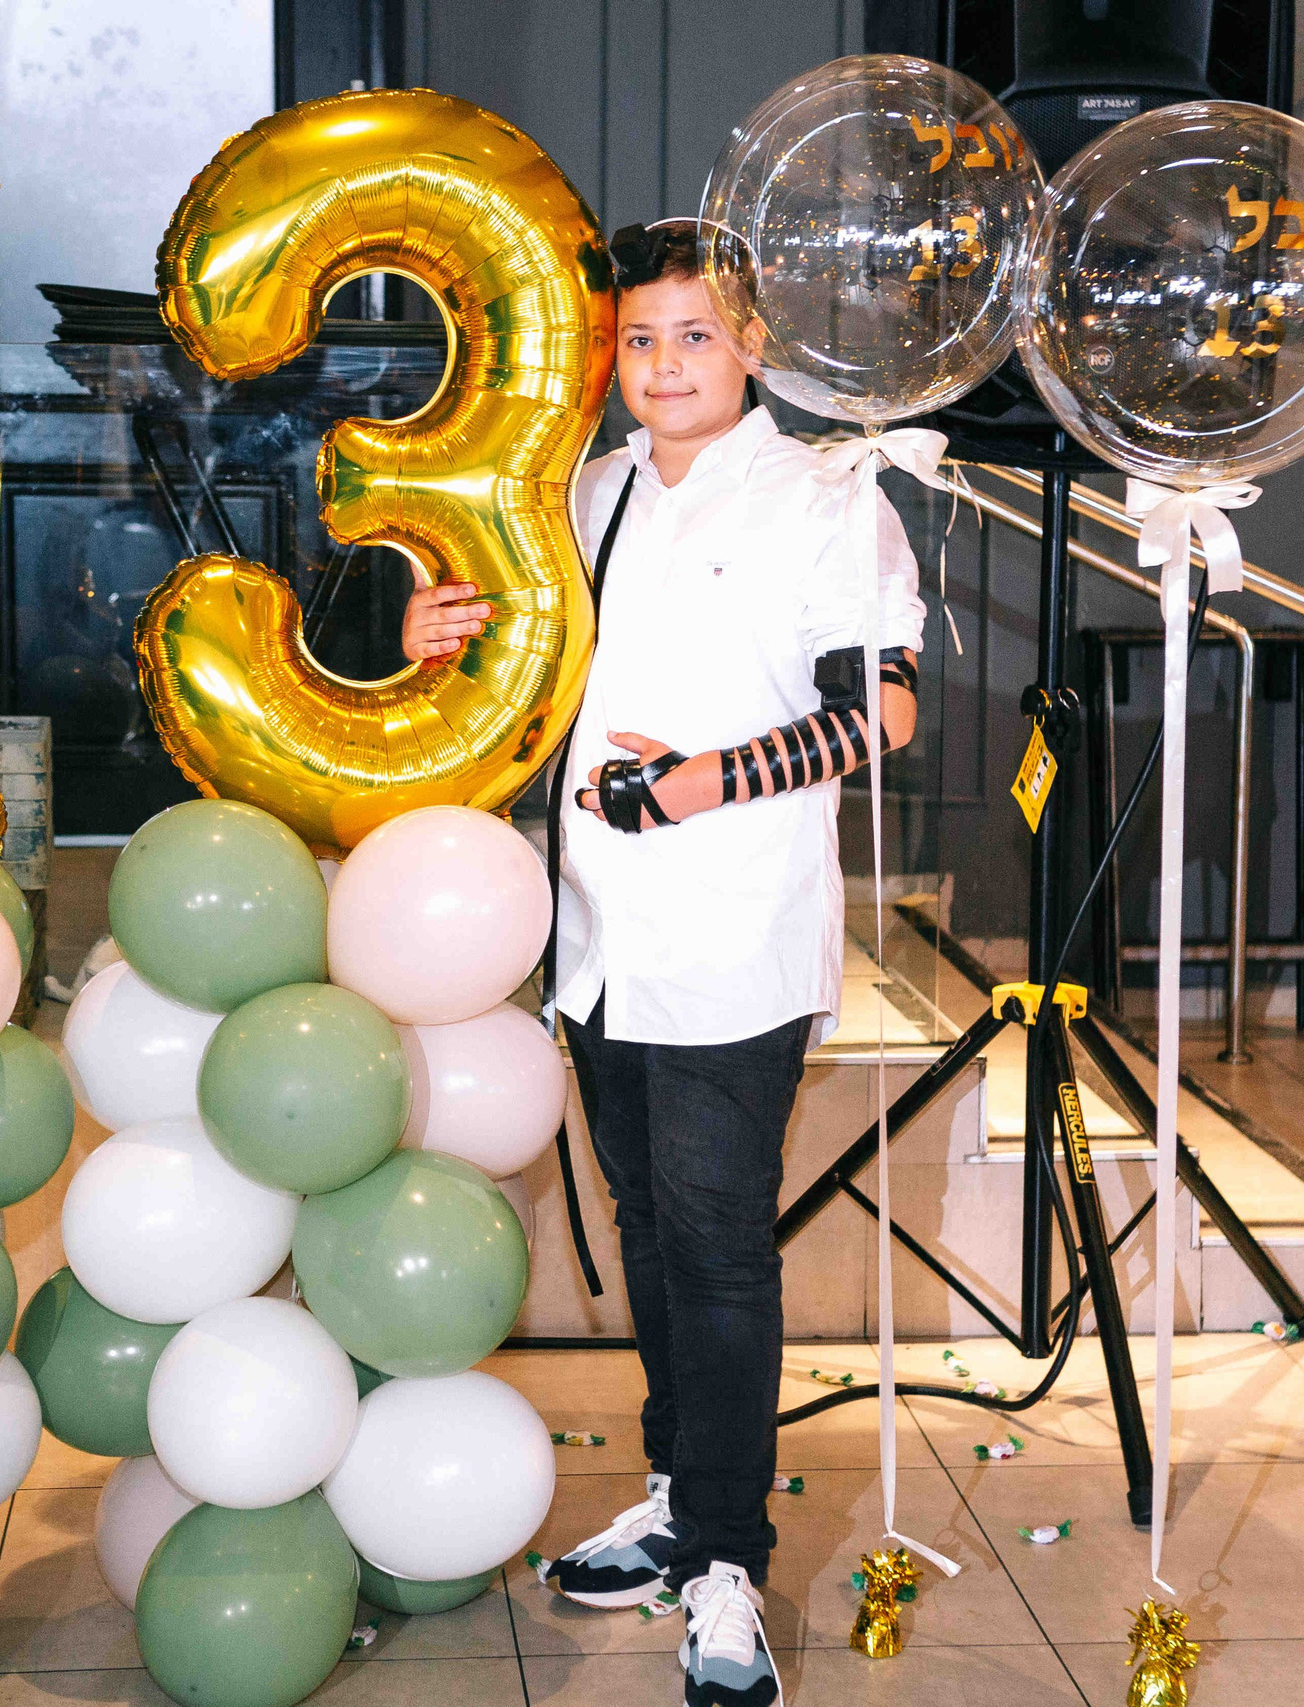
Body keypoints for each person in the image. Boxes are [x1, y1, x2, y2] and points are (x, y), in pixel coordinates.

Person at [401, 220, 927, 1707]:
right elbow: (532, 674)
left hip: (733, 942)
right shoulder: (586, 493)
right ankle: (679, 1497)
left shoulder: (828, 497)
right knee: (642, 1224)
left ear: (755, 345)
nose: (665, 365)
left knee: (712, 1244)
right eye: (641, 339)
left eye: (696, 335)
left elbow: (878, 718)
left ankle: (730, 1567)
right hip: (597, 943)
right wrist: (447, 640)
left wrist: (703, 781)